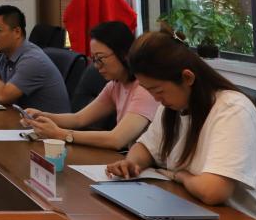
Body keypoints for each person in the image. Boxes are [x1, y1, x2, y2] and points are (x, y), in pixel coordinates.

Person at [106, 31, 256, 220]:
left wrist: (180, 176)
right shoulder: (173, 107)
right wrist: (132, 163)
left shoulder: (231, 110)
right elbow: (146, 147)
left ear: (187, 78)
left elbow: (213, 191)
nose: (156, 99)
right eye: (149, 91)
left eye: (158, 90)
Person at [23, 21, 159, 150]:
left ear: (124, 54)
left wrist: (60, 134)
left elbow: (117, 139)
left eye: (100, 58)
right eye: (94, 59)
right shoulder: (115, 85)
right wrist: (41, 116)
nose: (96, 66)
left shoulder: (145, 88)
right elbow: (79, 119)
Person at [0, 5, 70, 113]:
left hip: (49, 122)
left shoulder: (32, 60)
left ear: (17, 32)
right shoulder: (5, 55)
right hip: (22, 118)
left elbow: (3, 96)